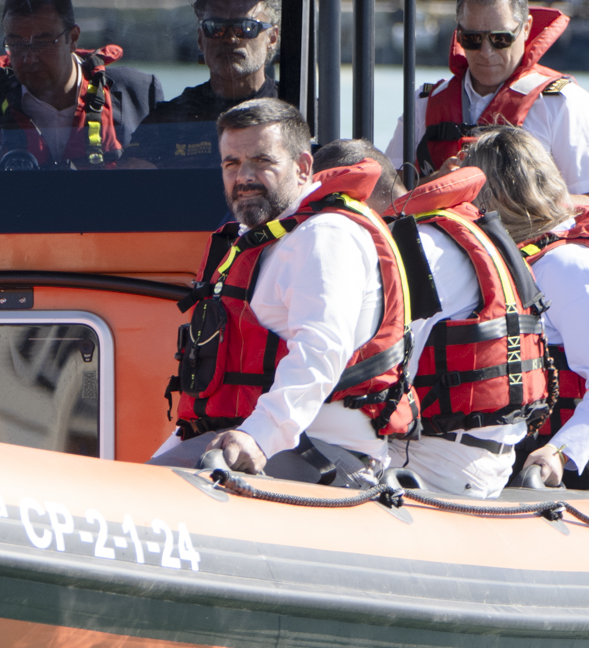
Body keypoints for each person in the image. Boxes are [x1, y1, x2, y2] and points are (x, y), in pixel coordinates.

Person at [154, 98, 416, 481]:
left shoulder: (325, 236)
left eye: (261, 161)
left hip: (318, 453)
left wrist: (259, 436)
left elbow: (320, 349)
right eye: (231, 164)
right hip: (249, 439)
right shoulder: (266, 237)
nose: (243, 177)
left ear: (303, 167)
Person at [317, 142, 551, 499]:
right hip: (482, 453)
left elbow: (384, 372)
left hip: (437, 460)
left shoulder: (414, 245)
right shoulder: (462, 224)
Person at [464, 127, 589, 489]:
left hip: (568, 462)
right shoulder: (512, 260)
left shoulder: (569, 267)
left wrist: (560, 451)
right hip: (505, 446)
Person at [386, 0, 589, 201]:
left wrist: (525, 202)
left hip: (527, 236)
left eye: (500, 39)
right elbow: (387, 197)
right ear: (459, 34)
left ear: (525, 28)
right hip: (436, 234)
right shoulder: (422, 103)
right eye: (473, 38)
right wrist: (437, 185)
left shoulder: (565, 104)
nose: (486, 52)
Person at [0, 0, 160, 171]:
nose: (29, 58)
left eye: (43, 43)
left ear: (73, 38)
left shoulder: (140, 93)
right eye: (16, 44)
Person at [131, 0, 280, 168]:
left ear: (272, 38)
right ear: (201, 39)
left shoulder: (296, 108)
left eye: (245, 27)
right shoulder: (166, 121)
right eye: (215, 28)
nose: (230, 38)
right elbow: (131, 188)